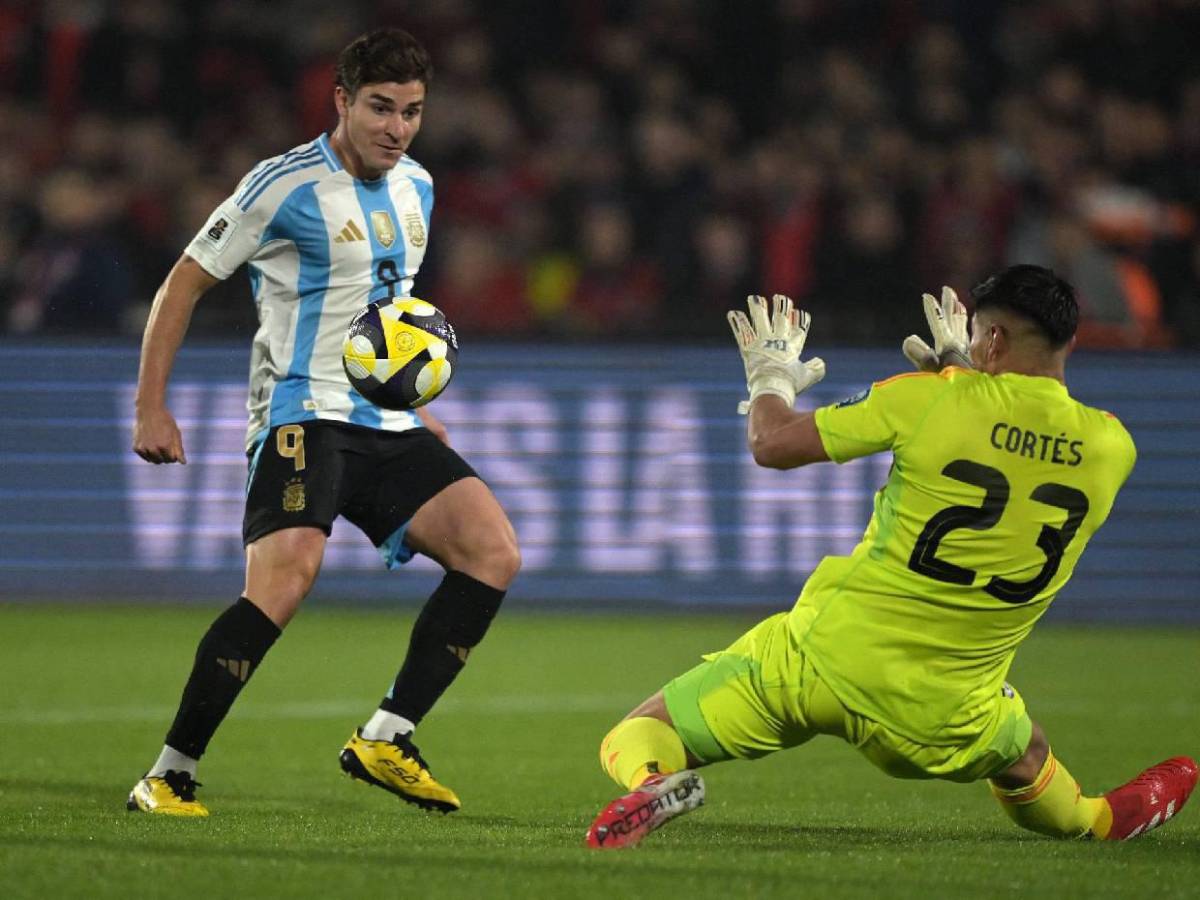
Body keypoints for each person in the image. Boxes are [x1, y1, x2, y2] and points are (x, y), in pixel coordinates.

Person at [584, 265, 1197, 848]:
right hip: (950, 712)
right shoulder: (1113, 446)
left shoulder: (928, 400)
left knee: (642, 733)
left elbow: (772, 443)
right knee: (1027, 753)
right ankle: (1099, 820)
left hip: (822, 664)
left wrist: (769, 374)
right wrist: (962, 367)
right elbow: (1015, 436)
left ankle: (652, 784)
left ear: (995, 338)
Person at [127, 27, 520, 817]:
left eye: (411, 111)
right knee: (284, 583)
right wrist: (151, 404)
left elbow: (382, 318)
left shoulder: (420, 188)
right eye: (380, 108)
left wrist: (414, 410)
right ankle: (167, 775)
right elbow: (182, 285)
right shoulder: (281, 186)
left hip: (384, 422)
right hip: (300, 413)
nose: (396, 128)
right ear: (341, 100)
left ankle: (386, 736)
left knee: (492, 552)